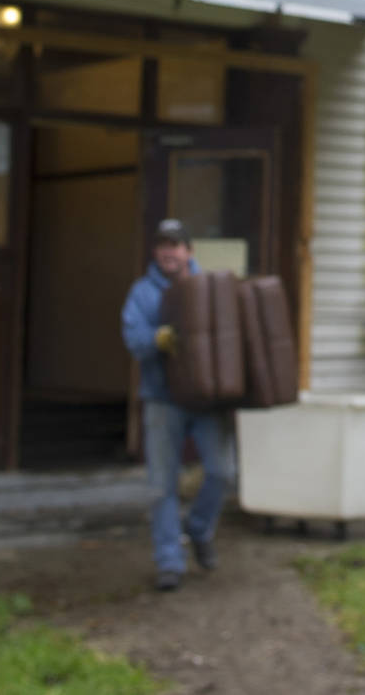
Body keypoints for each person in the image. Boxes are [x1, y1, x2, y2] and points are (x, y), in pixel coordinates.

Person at [121, 218, 234, 592]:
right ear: (156, 251)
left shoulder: (210, 288)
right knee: (161, 486)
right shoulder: (142, 293)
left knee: (221, 473)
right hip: (162, 399)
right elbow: (133, 338)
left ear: (189, 251)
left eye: (176, 245)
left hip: (206, 400)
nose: (168, 252)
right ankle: (170, 561)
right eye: (163, 245)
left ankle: (199, 530)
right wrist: (157, 338)